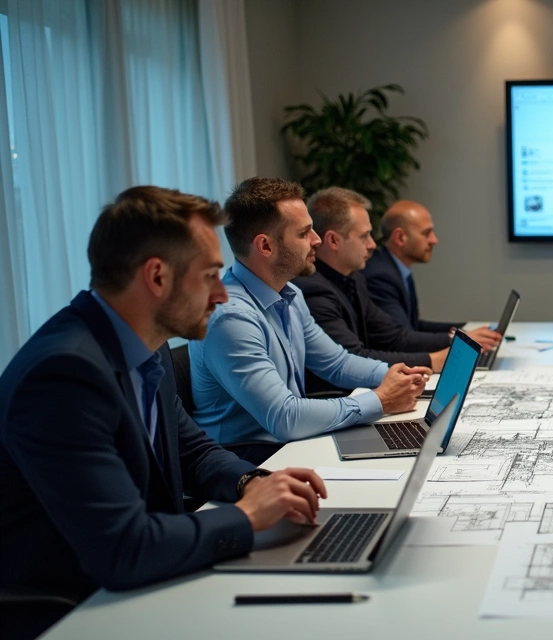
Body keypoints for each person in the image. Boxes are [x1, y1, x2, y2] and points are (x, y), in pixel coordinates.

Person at [0, 187, 328, 639]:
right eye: (211, 276)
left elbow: (191, 449)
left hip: (147, 578)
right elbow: (123, 548)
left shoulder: (141, 344)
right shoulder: (64, 374)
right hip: (75, 610)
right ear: (156, 277)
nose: (222, 295)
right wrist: (250, 516)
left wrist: (252, 481)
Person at [190, 178, 426, 463]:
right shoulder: (231, 317)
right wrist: (380, 400)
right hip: (249, 462)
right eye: (304, 233)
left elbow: (336, 362)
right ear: (265, 246)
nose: (317, 240)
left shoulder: (290, 295)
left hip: (289, 446)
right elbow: (285, 417)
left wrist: (394, 375)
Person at [293, 188, 450, 393]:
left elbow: (392, 335)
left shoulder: (353, 278)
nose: (372, 245)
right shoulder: (312, 289)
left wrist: (449, 343)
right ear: (333, 241)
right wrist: (430, 360)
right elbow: (351, 359)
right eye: (364, 236)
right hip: (339, 401)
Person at [363, 200, 502, 350]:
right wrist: (457, 338)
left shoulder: (395, 268)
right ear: (400, 237)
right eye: (426, 233)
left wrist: (464, 329)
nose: (434, 240)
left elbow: (414, 325)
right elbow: (401, 338)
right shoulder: (380, 276)